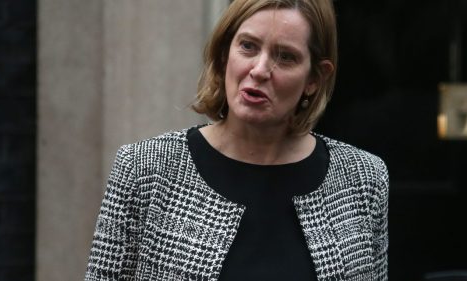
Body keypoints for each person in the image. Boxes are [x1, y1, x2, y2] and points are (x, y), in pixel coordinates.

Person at [85, 0, 389, 280]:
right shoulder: (144, 168)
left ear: (314, 79)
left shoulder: (362, 178)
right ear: (223, 53)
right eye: (248, 46)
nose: (259, 70)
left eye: (285, 57)